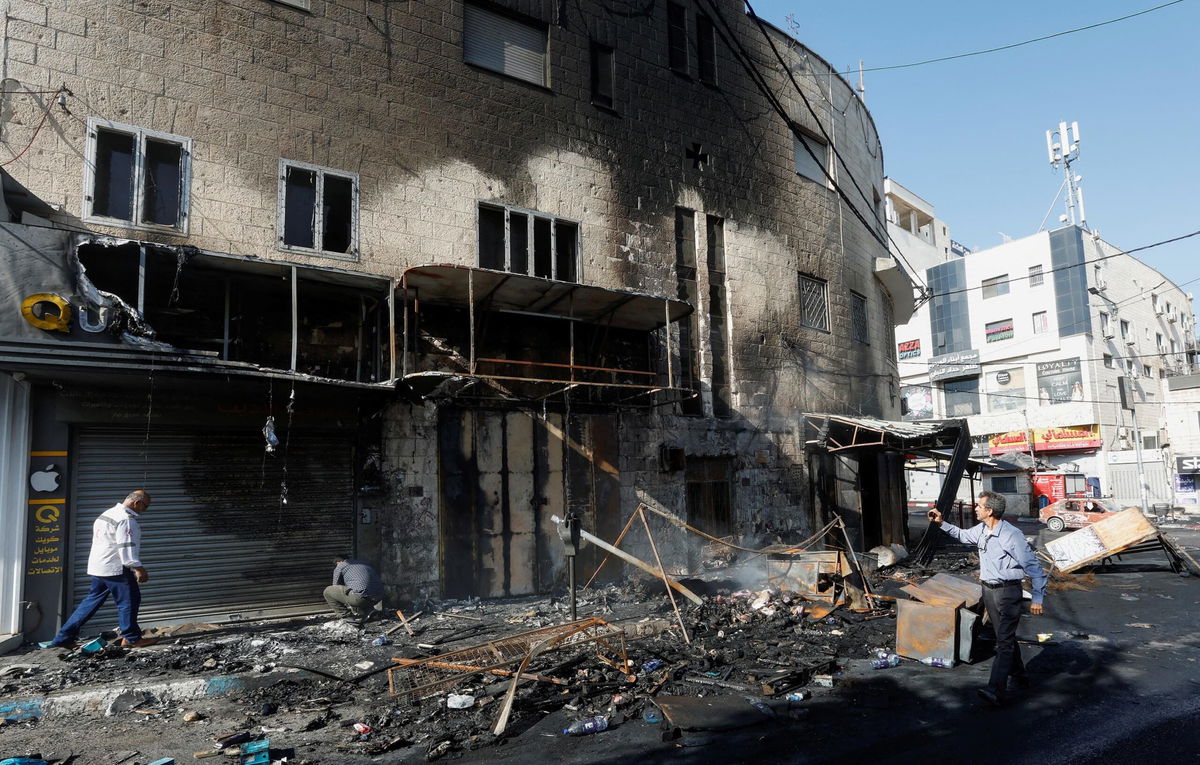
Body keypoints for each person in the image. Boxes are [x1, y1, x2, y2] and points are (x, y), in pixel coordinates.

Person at [928, 490, 1047, 707]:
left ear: (989, 511)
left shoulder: (1011, 535)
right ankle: (1020, 678)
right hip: (989, 591)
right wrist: (941, 522)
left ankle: (996, 691)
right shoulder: (982, 529)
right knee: (1005, 638)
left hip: (1008, 592)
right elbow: (964, 536)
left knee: (1003, 642)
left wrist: (1038, 598)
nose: (976, 509)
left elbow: (1035, 569)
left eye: (979, 507)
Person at [49, 490, 157, 649]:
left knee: (91, 602)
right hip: (115, 568)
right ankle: (132, 638)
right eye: (145, 506)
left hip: (99, 566)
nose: (144, 510)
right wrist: (139, 568)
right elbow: (126, 549)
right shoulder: (126, 520)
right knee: (129, 601)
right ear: (136, 503)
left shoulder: (107, 514)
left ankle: (63, 637)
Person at [325, 555, 384, 626]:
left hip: (360, 598)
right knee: (359, 591)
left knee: (328, 591)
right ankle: (369, 611)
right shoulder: (364, 562)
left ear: (339, 562)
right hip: (379, 596)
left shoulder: (340, 566)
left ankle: (347, 617)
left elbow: (335, 587)